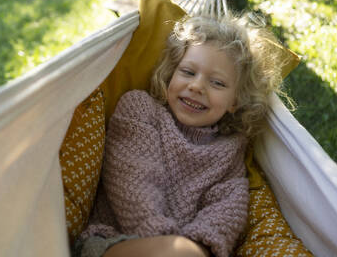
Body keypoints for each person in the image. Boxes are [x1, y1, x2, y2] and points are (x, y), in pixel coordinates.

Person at [74, 13, 288, 257]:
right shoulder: (140, 110)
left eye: (217, 83)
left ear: (235, 101)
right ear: (171, 72)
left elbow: (227, 207)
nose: (197, 86)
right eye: (187, 72)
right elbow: (134, 180)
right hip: (112, 241)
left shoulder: (230, 149)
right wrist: (171, 244)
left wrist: (199, 246)